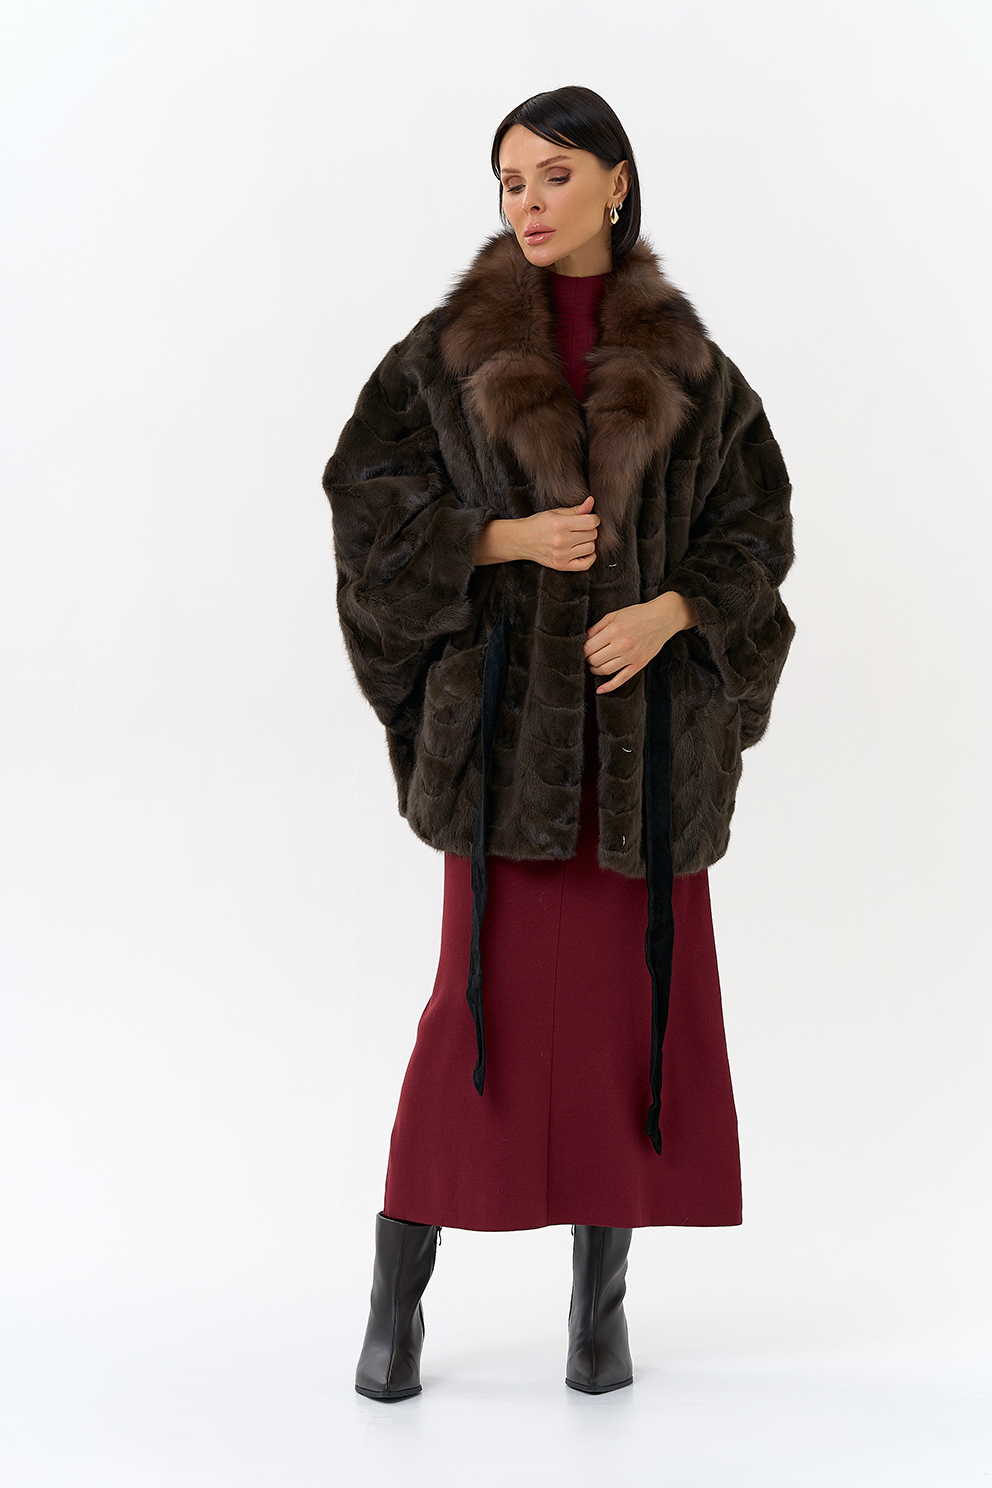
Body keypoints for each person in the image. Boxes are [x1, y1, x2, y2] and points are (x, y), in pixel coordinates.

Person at [322, 84, 795, 1401]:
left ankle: (600, 1313)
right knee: (468, 1023)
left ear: (617, 182)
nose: (526, 202)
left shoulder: (693, 367)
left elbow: (757, 531)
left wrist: (671, 613)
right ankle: (395, 1308)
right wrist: (501, 538)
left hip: (641, 765)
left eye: (552, 174)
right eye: (509, 182)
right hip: (509, 761)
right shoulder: (447, 354)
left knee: (622, 1033)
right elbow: (365, 501)